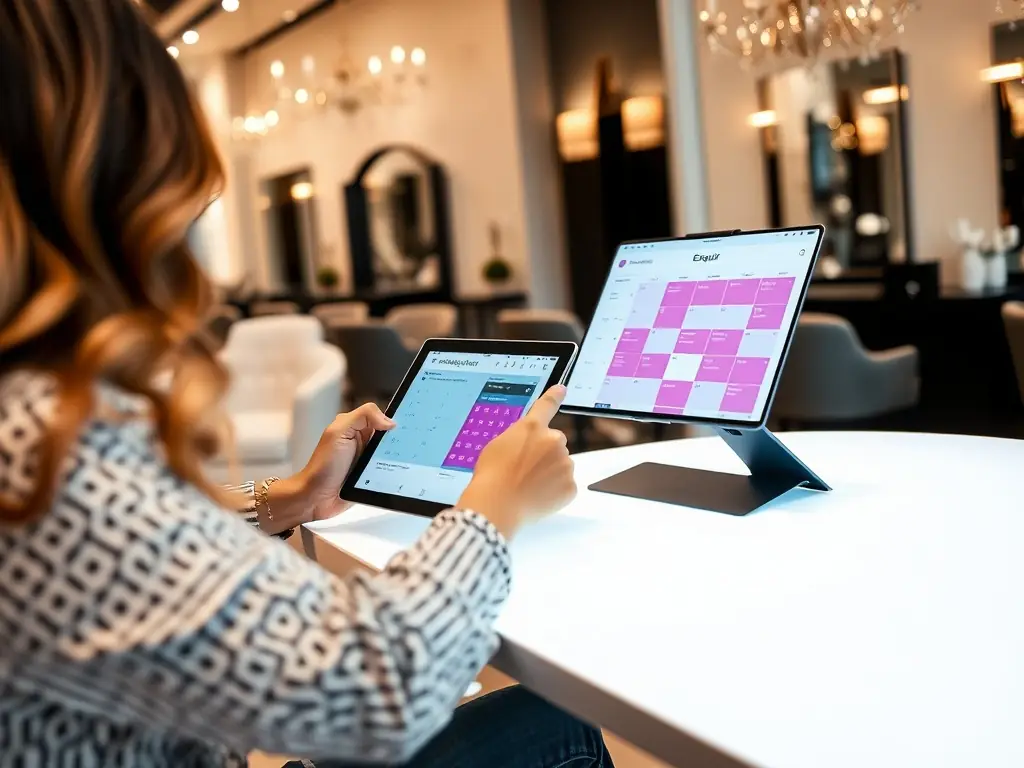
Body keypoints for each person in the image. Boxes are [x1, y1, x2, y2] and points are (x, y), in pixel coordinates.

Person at [0, 1, 614, 766]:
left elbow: (133, 566)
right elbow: (376, 688)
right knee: (558, 724)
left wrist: (279, 498)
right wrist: (494, 502)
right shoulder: (42, 445)